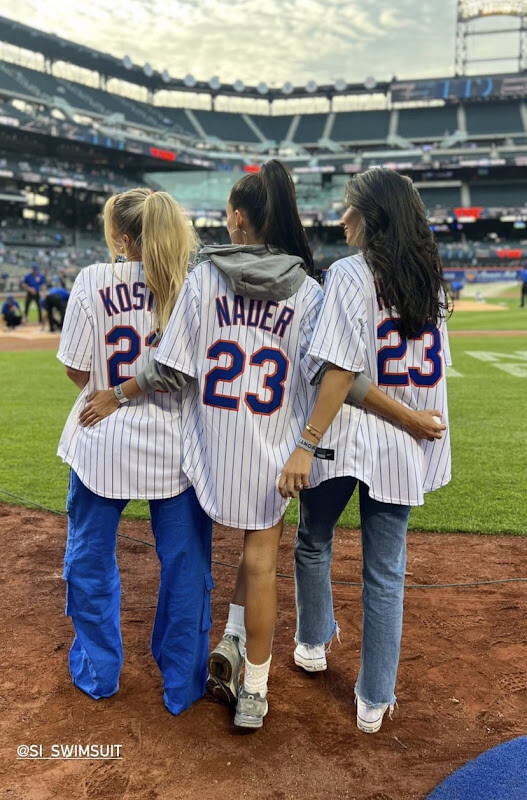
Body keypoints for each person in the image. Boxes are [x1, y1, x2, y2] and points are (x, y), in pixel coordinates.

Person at [80, 162, 445, 730]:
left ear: (240, 218)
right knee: (262, 563)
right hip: (276, 449)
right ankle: (255, 689)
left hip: (209, 443)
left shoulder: (206, 277)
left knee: (192, 558)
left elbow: (171, 367)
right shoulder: (312, 290)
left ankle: (199, 665)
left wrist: (120, 391)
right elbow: (331, 374)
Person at [279, 168, 452, 735]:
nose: (342, 217)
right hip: (402, 446)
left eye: (350, 207)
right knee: (385, 572)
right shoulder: (430, 279)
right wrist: (412, 421)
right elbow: (432, 378)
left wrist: (305, 442)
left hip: (344, 434)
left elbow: (339, 371)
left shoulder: (350, 273)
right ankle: (374, 698)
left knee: (313, 540)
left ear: (372, 216)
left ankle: (312, 643)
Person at [57, 187, 213, 716]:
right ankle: (182, 685)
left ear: (124, 238)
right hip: (177, 447)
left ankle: (99, 672)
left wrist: (113, 389)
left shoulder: (92, 279)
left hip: (102, 436)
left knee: (89, 557)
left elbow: (77, 369)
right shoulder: (193, 284)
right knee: (186, 566)